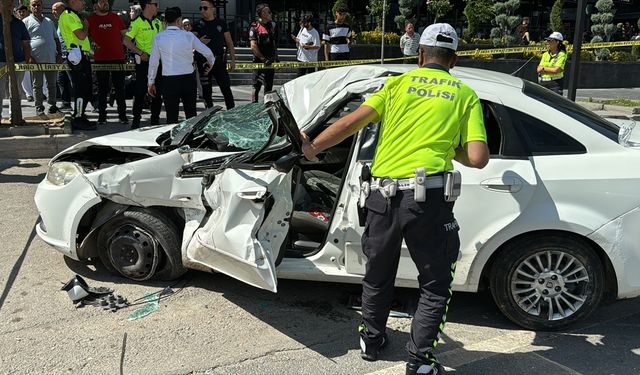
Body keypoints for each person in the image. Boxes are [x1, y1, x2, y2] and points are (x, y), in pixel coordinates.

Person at [301, 23, 489, 375]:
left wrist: (312, 147)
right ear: (455, 59)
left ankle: (371, 342)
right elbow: (478, 158)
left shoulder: (396, 84)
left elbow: (349, 123)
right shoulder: (464, 95)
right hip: (428, 202)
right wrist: (451, 147)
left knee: (377, 274)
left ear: (419, 54)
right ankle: (418, 363)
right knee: (434, 285)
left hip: (382, 198)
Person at [148, 7, 214, 124]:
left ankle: (172, 140)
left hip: (169, 79)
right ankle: (191, 140)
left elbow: (154, 62)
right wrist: (210, 63)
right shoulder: (188, 36)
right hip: (188, 79)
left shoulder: (158, 38)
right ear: (179, 20)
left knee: (171, 116)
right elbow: (208, 52)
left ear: (165, 22)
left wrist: (151, 82)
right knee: (191, 116)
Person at [123, 0, 164, 128]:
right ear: (147, 5)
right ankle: (136, 120)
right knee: (140, 91)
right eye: (156, 4)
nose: (158, 7)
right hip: (144, 63)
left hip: (158, 62)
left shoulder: (158, 22)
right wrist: (140, 53)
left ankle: (155, 121)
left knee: (157, 92)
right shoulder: (136, 23)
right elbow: (126, 41)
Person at [87, 0, 129, 124]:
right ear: (96, 5)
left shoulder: (115, 17)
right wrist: (91, 47)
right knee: (102, 89)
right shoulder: (90, 19)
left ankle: (122, 116)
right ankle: (102, 116)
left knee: (120, 88)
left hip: (118, 58)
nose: (105, 3)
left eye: (106, 1)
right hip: (100, 59)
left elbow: (124, 34)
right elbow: (85, 37)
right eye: (101, 1)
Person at [193, 0, 236, 109]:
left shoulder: (221, 23)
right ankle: (209, 114)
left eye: (205, 8)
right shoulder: (198, 24)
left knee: (226, 88)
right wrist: (199, 41)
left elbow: (229, 42)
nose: (202, 10)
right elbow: (190, 42)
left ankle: (232, 112)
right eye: (200, 8)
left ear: (212, 9)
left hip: (219, 61)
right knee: (206, 91)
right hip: (204, 63)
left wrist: (233, 60)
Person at [59, 0, 95, 129]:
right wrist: (86, 26)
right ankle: (79, 117)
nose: (84, 3)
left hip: (81, 54)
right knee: (80, 89)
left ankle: (81, 114)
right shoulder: (68, 15)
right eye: (82, 1)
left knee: (86, 88)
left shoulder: (74, 15)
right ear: (73, 1)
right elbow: (80, 35)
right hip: (76, 55)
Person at [23, 0, 61, 115]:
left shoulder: (49, 21)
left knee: (52, 84)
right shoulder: (26, 21)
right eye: (33, 5)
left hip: (51, 58)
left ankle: (52, 105)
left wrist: (59, 54)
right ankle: (39, 106)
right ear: (30, 7)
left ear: (42, 6)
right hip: (36, 59)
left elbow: (56, 38)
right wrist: (29, 57)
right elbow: (23, 42)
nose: (36, 7)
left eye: (38, 5)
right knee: (37, 84)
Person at [0, 6, 32, 120]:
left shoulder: (19, 24)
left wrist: (27, 58)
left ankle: (15, 115)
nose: (7, 8)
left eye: (9, 4)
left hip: (18, 60)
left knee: (16, 89)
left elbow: (26, 43)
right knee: (0, 89)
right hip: (1, 61)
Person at [249, 3, 277, 103]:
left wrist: (276, 58)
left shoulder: (272, 26)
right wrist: (263, 59)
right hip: (260, 63)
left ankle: (268, 110)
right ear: (263, 13)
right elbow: (253, 46)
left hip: (270, 62)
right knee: (256, 87)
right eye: (269, 12)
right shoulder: (254, 27)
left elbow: (273, 43)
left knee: (268, 88)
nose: (271, 14)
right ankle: (253, 109)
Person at [52, 2, 72, 111]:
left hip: (70, 55)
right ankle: (66, 103)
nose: (53, 12)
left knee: (73, 81)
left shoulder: (68, 18)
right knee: (61, 80)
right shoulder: (60, 21)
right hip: (62, 56)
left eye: (55, 9)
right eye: (52, 10)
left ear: (63, 9)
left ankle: (91, 101)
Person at [537, 31, 567, 96]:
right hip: (542, 83)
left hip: (555, 84)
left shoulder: (562, 54)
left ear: (557, 42)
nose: (548, 42)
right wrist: (550, 69)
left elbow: (556, 70)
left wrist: (543, 69)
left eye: (550, 40)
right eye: (548, 40)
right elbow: (538, 69)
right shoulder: (545, 54)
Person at [15, 4, 34, 101]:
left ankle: (44, 93)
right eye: (20, 12)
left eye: (23, 11)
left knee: (38, 71)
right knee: (25, 74)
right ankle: (29, 94)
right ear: (17, 13)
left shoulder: (32, 21)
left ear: (27, 11)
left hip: (34, 50)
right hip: (21, 52)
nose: (22, 13)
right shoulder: (16, 23)